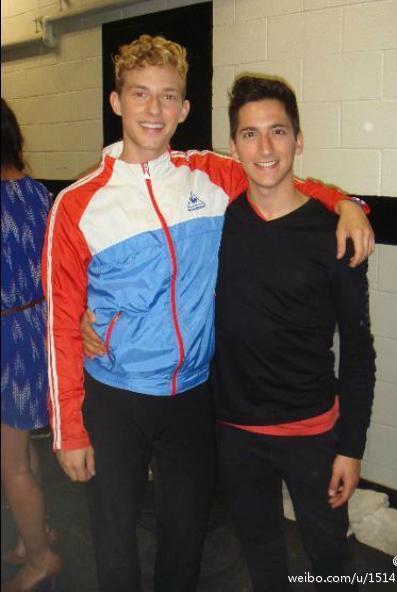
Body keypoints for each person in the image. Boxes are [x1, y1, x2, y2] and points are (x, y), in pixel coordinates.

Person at [44, 35, 373, 592]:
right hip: (117, 394)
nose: (154, 109)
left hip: (195, 397)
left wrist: (349, 204)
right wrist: (69, 429)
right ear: (116, 101)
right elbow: (59, 321)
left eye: (168, 96)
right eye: (140, 94)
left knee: (186, 536)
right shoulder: (76, 204)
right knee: (115, 542)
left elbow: (281, 176)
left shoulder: (209, 174)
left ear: (185, 109)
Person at [211, 76, 376, 592]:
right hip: (237, 432)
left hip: (314, 435)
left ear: (298, 140)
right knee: (261, 557)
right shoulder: (215, 224)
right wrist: (91, 314)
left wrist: (351, 448)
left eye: (277, 131)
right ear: (233, 145)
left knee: (330, 561)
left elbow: (359, 352)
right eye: (250, 133)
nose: (265, 148)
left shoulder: (334, 233)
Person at [1, 98, 62, 592]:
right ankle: (33, 536)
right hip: (35, 329)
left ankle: (41, 559)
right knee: (19, 449)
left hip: (8, 338)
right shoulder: (38, 192)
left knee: (11, 462)